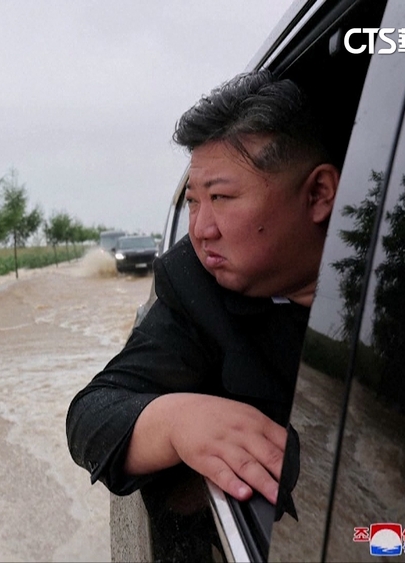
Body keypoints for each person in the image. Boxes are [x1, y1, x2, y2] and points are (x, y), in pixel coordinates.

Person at [65, 69, 340, 522]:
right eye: (193, 201)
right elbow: (91, 417)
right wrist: (175, 421)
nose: (200, 229)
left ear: (317, 194)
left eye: (222, 198)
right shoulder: (194, 286)